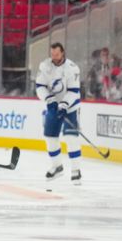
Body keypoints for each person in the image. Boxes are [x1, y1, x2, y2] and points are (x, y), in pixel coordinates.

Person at [35, 42, 82, 184]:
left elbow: (74, 92)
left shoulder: (72, 68)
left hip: (71, 107)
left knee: (71, 138)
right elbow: (40, 87)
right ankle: (57, 166)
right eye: (52, 54)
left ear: (63, 53)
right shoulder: (45, 66)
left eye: (57, 54)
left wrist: (64, 105)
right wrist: (49, 99)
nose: (54, 57)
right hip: (53, 106)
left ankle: (76, 170)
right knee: (50, 137)